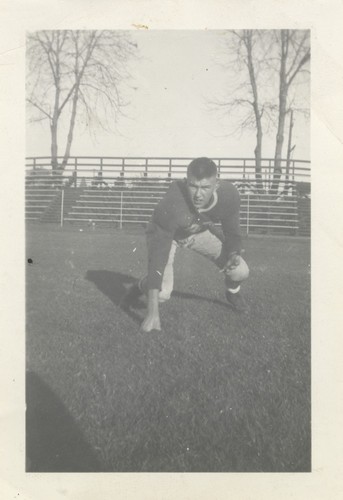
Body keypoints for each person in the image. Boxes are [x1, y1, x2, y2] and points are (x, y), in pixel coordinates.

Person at [124, 157, 249, 332]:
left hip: (198, 234)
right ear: (185, 181)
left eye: (205, 187)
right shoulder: (172, 203)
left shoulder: (229, 195)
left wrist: (234, 253)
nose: (198, 194)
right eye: (193, 186)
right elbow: (158, 259)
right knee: (162, 293)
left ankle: (232, 293)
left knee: (241, 270)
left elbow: (233, 232)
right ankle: (140, 286)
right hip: (169, 236)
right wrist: (152, 313)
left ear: (217, 184)